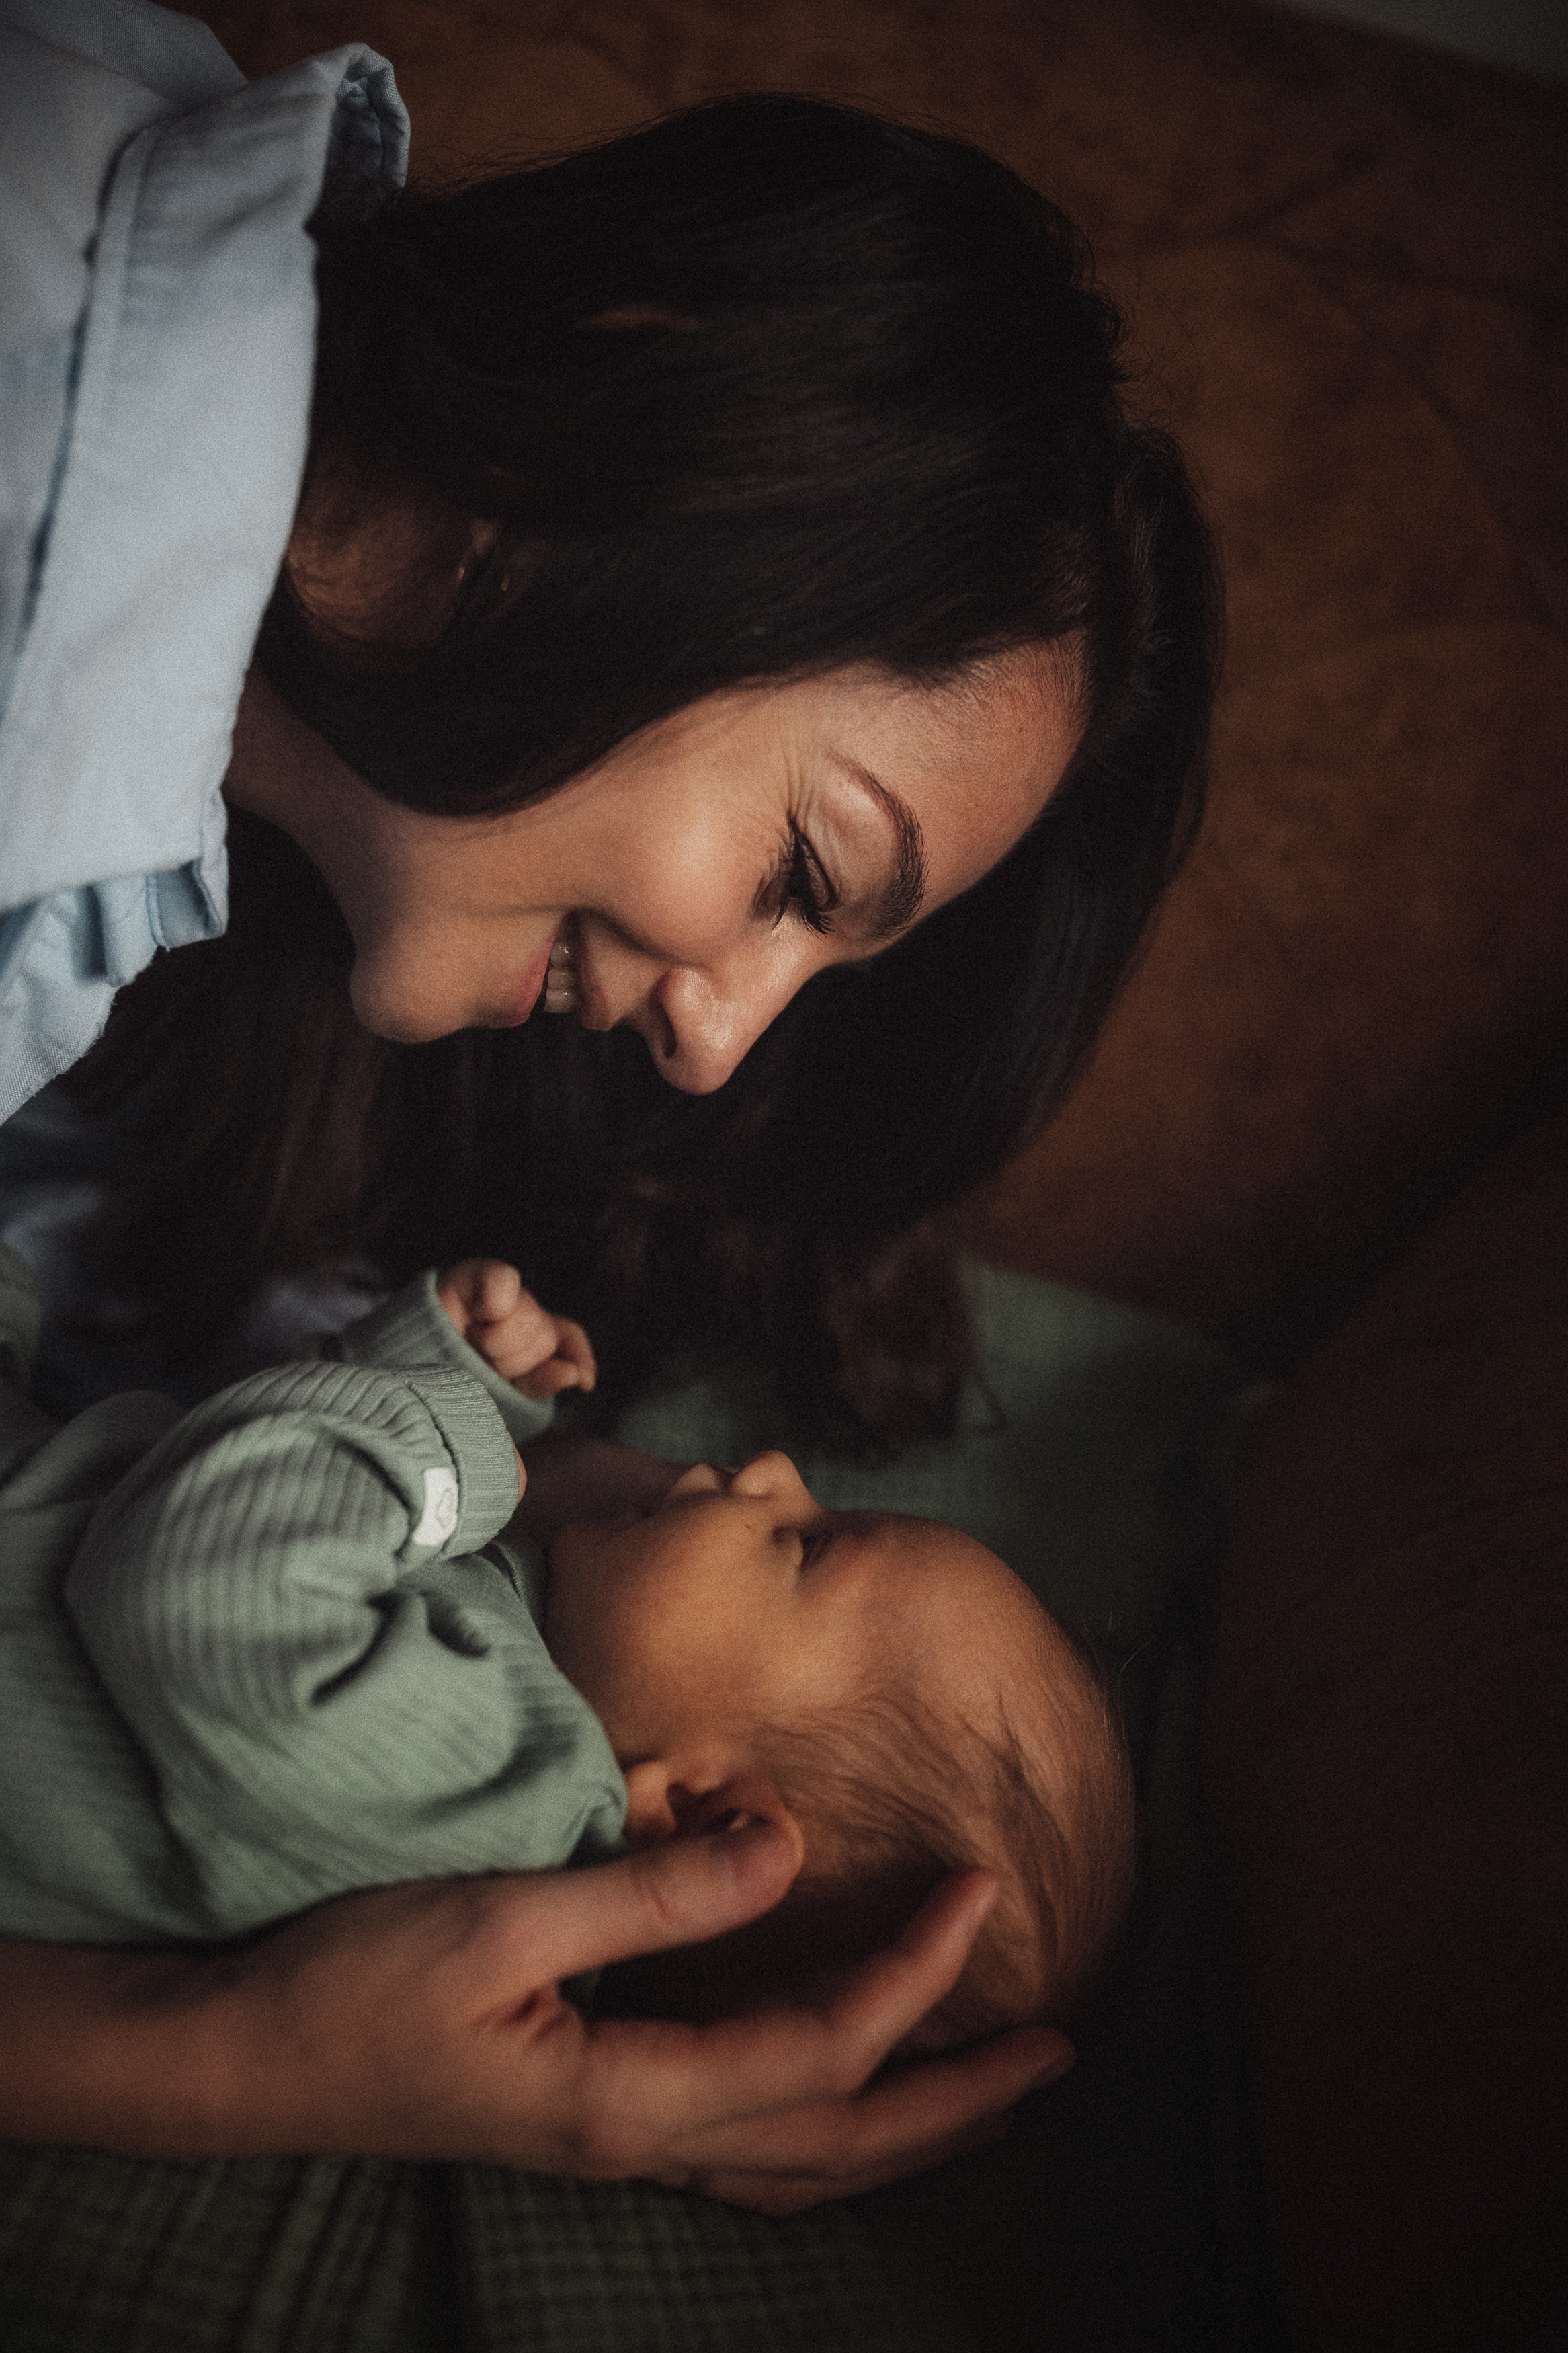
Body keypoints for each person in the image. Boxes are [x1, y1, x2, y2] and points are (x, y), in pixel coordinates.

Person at [0, 0, 1214, 2196]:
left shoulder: (160, 932)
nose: (714, 1038)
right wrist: (221, 2066)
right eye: (800, 873)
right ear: (644, 426)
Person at [0, 1246, 1135, 2055]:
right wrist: (421, 1372)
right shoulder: (513, 1686)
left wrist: (452, 1426)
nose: (771, 1471)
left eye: (804, 1546)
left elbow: (210, 1584)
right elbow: (276, 1464)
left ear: (693, 1815)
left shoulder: (500, 1788)